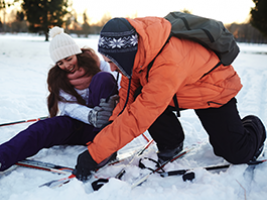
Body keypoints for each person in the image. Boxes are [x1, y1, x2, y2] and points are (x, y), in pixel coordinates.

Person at [72, 16, 266, 181]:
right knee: (141, 95)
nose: (112, 69)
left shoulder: (167, 60)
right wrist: (106, 145)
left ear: (125, 54)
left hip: (213, 91)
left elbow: (140, 115)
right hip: (178, 91)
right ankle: (171, 142)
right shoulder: (134, 56)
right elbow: (126, 102)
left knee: (236, 153)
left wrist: (94, 154)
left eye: (113, 62)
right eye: (108, 62)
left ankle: (254, 126)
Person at [0, 26, 118, 172]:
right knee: (41, 128)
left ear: (77, 54)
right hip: (77, 123)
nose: (66, 65)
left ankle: (104, 147)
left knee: (103, 78)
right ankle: (3, 157)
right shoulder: (58, 77)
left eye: (68, 59)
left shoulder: (99, 64)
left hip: (102, 128)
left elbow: (117, 85)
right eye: (60, 63)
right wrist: (91, 116)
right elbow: (68, 106)